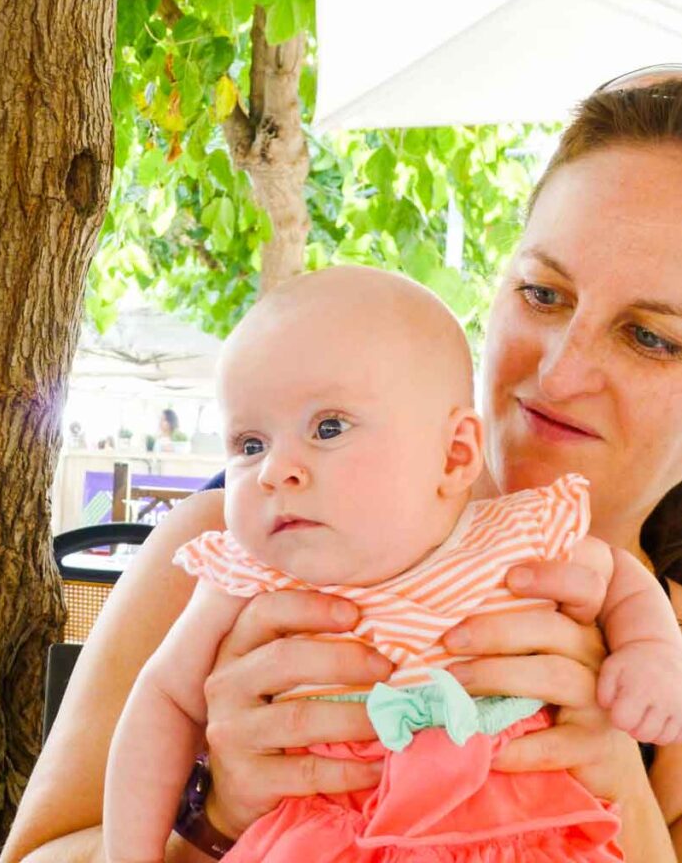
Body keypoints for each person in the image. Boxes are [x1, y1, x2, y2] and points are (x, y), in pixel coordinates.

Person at [0, 70, 682, 863]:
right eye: (541, 293)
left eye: (651, 337)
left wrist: (614, 783)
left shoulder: (657, 636)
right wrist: (218, 821)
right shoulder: (233, 546)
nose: (559, 373)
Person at [102, 267, 681, 863]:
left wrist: (652, 654)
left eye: (328, 428)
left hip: (514, 835)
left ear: (455, 453)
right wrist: (171, 838)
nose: (275, 470)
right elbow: (164, 700)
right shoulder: (251, 575)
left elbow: (617, 579)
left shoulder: (510, 539)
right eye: (250, 444)